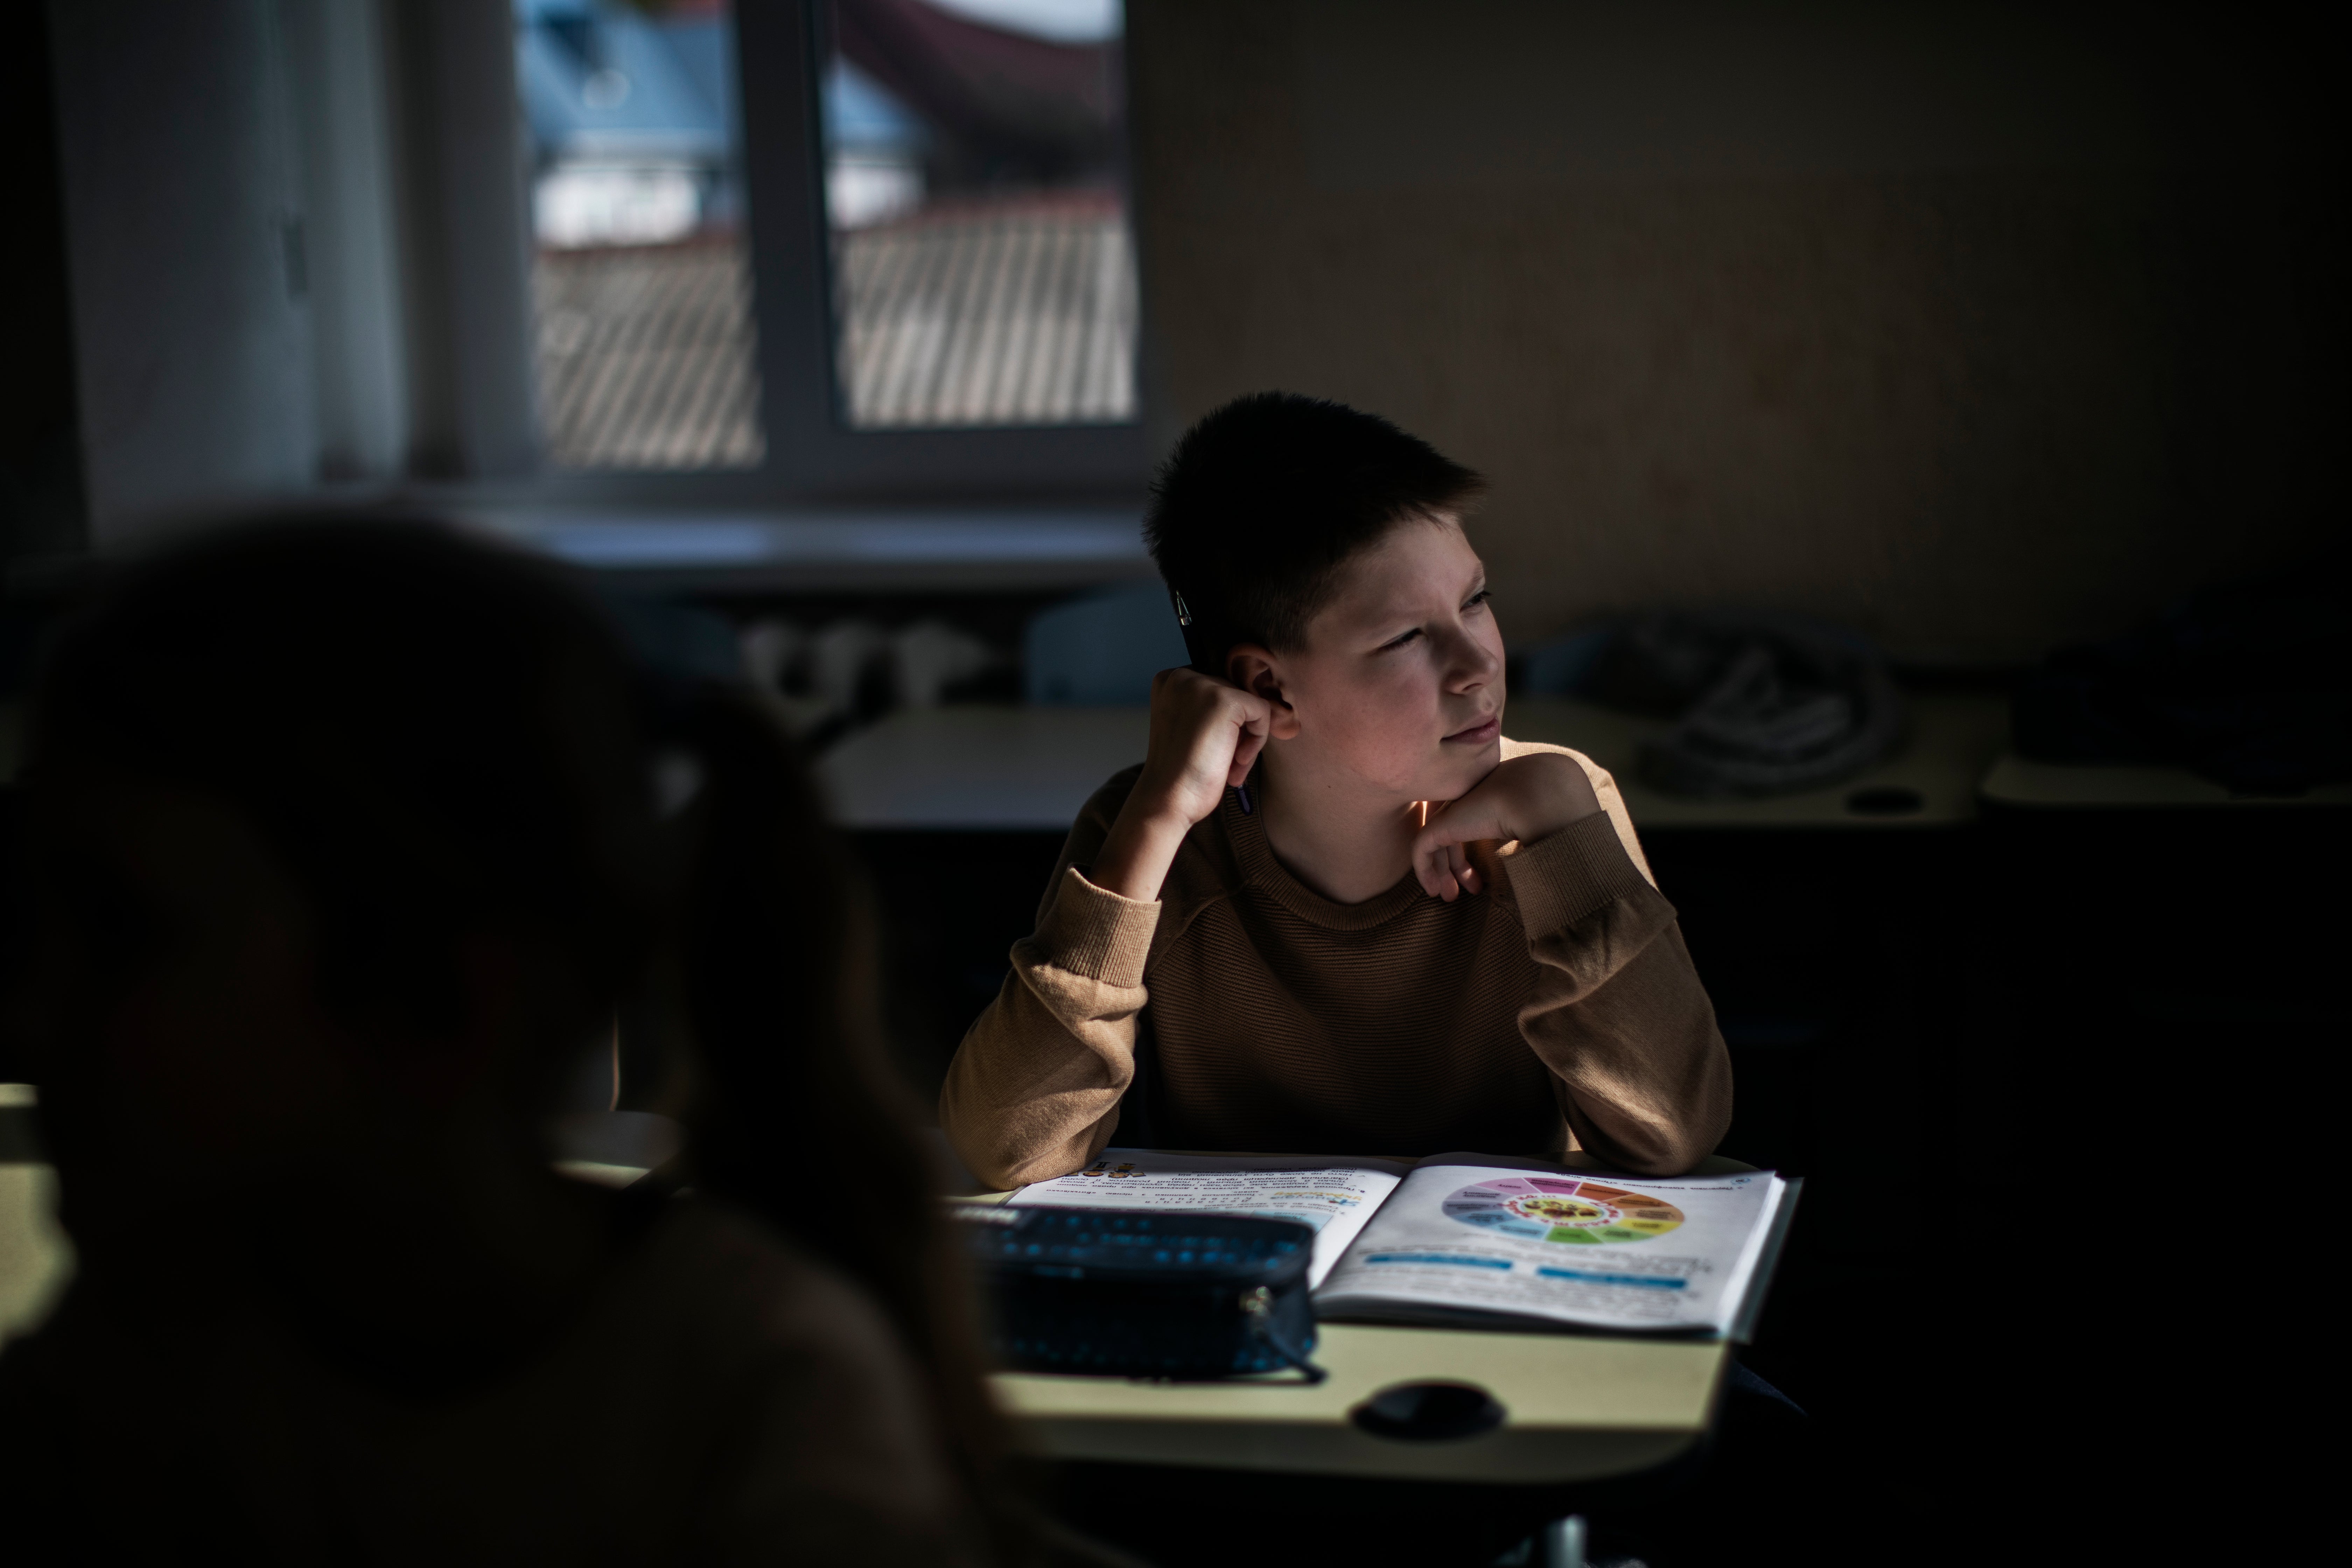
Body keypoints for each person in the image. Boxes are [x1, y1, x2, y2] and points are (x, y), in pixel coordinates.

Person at [0, 520, 1024, 1564]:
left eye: (123, 934)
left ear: (441, 1001)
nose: (28, 1023)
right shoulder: (144, 1355)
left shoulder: (759, 1394)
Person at [942, 393, 1733, 1190]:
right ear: (1267, 686)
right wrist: (1155, 817)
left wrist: (1568, 828)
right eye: (1406, 638)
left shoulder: (1557, 810)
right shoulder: (1151, 832)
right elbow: (1008, 1147)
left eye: (1475, 599)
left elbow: (1671, 1132)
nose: (1480, 663)